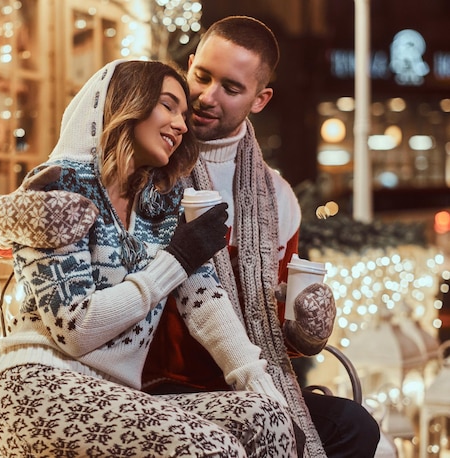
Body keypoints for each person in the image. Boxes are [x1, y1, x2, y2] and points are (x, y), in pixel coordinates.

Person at [0, 59, 297, 457]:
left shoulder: (160, 206)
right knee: (215, 449)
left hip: (118, 397)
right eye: (168, 106)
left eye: (183, 112)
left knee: (267, 419)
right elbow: (75, 330)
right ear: (128, 104)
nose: (182, 124)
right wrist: (175, 260)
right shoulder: (59, 189)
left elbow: (206, 304)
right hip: (34, 388)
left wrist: (263, 388)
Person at [142, 16, 381, 458]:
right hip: (157, 386)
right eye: (202, 76)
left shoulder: (277, 196)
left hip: (252, 385)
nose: (206, 97)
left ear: (260, 99)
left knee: (355, 426)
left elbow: (271, 326)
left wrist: (304, 331)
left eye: (231, 88)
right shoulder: (151, 161)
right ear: (189, 65)